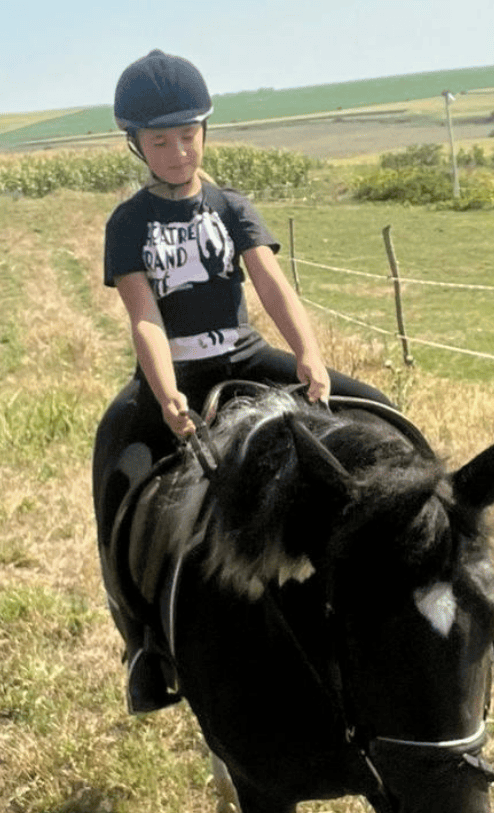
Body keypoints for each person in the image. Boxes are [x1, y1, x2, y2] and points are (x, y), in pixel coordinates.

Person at [101, 48, 394, 712]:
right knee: (120, 459)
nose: (176, 152)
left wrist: (308, 354)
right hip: (175, 368)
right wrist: (167, 389)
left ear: (204, 131)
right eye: (159, 140)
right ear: (136, 145)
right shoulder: (129, 223)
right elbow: (143, 313)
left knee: (377, 407)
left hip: (245, 353)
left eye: (187, 135)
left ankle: (416, 553)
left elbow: (270, 283)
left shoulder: (232, 205)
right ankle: (144, 635)